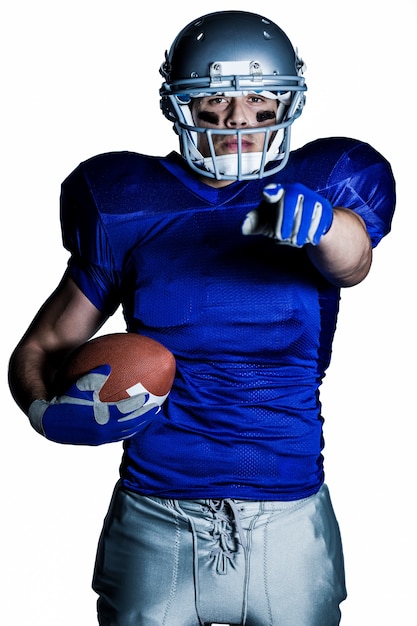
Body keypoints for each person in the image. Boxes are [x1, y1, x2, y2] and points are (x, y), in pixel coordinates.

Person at [8, 10, 395, 626]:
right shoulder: (124, 202)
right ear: (177, 105)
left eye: (259, 100)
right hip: (155, 516)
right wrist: (40, 412)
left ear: (289, 102)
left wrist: (321, 225)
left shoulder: (326, 184)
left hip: (289, 516)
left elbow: (354, 262)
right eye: (214, 100)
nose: (238, 120)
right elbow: (45, 344)